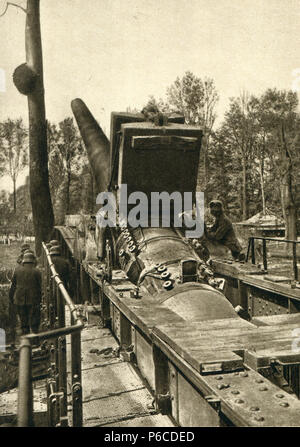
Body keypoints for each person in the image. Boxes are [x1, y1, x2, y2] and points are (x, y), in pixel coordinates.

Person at [9, 252, 42, 335]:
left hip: (19, 298)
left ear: (24, 260)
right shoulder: (37, 271)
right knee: (34, 319)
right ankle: (34, 338)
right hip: (33, 299)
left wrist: (11, 297)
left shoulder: (17, 270)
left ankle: (25, 337)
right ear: (33, 261)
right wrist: (39, 299)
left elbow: (13, 285)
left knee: (23, 319)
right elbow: (39, 287)